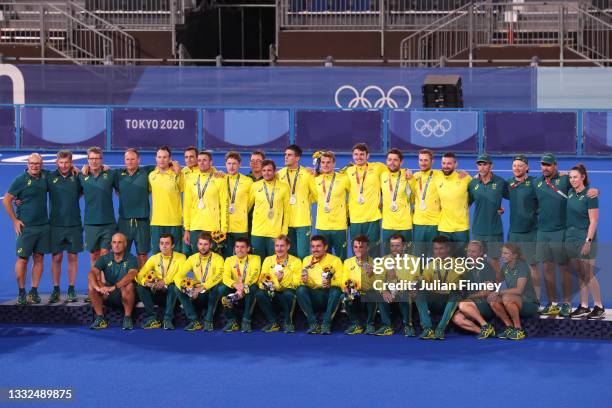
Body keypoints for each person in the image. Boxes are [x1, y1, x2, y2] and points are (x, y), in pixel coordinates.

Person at [534, 154, 596, 317]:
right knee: (547, 268)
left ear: (555, 165)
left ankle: (567, 303)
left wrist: (594, 190)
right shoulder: (536, 182)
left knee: (564, 269)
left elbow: (581, 188)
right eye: (543, 165)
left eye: (548, 165)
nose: (545, 167)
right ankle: (553, 303)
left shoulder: (564, 180)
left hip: (561, 231)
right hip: (542, 231)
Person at [3, 153, 49, 304]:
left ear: (41, 165)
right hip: (26, 227)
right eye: (32, 163)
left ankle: (33, 291)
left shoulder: (45, 176)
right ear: (27, 164)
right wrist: (15, 221)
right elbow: (7, 200)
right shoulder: (20, 180)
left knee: (39, 258)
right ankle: (22, 292)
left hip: (43, 226)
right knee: (23, 259)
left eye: (37, 164)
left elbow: (63, 172)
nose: (35, 166)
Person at [566, 165, 605, 319]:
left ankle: (599, 306)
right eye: (570, 177)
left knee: (588, 274)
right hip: (571, 238)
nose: (572, 180)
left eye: (575, 177)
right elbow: (560, 175)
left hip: (585, 238)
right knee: (580, 274)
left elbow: (594, 221)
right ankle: (583, 306)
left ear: (583, 177)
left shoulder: (591, 195)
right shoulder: (569, 192)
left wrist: (588, 241)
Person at [503, 155, 540, 303]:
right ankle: (516, 295)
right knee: (513, 266)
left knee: (532, 266)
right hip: (514, 232)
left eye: (520, 165)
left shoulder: (534, 183)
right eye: (514, 166)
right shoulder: (509, 183)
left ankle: (536, 298)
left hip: (530, 231)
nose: (517, 168)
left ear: (527, 168)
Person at [47, 150, 82, 303]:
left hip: (74, 224)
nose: (64, 165)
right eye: (61, 163)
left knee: (73, 257)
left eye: (66, 162)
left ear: (71, 163)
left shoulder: (77, 176)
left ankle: (71, 289)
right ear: (56, 163)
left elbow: (85, 189)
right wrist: (18, 200)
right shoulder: (49, 177)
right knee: (57, 257)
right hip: (56, 225)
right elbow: (33, 186)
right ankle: (56, 289)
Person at [174, 232, 225, 331]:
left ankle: (208, 321)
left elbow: (219, 276)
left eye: (205, 244)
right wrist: (187, 289)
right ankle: (194, 321)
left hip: (210, 293)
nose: (203, 247)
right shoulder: (192, 258)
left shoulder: (218, 258)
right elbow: (178, 276)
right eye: (200, 244)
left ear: (211, 245)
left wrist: (204, 287)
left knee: (217, 287)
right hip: (196, 294)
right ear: (197, 245)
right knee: (177, 288)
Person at [114, 148, 156, 267]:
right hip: (124, 222)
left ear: (138, 160)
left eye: (133, 159)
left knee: (142, 255)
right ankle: (123, 283)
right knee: (122, 253)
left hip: (142, 222)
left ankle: (141, 283)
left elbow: (165, 163)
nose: (130, 161)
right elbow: (102, 171)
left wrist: (174, 163)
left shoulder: (147, 171)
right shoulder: (117, 174)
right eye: (127, 159)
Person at [488, 243, 539, 340]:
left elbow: (519, 290)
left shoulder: (522, 266)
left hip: (529, 303)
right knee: (493, 300)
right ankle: (509, 327)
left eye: (506, 253)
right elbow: (496, 281)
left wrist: (499, 292)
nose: (502, 256)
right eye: (502, 253)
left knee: (507, 297)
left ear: (515, 255)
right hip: (515, 301)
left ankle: (518, 329)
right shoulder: (505, 267)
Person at [135, 234, 187, 330]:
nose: (164, 246)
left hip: (173, 295)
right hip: (157, 292)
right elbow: (139, 275)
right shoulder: (154, 258)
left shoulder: (181, 257)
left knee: (174, 286)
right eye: (162, 243)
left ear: (173, 245)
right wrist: (146, 282)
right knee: (140, 286)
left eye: (167, 243)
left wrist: (165, 281)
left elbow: (180, 275)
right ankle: (152, 318)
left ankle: (167, 319)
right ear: (159, 245)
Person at [343, 143, 387, 256]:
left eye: (362, 154)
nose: (358, 157)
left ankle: (375, 274)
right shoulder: (348, 171)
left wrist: (407, 170)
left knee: (374, 251)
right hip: (355, 218)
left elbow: (394, 170)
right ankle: (357, 273)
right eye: (356, 154)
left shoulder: (378, 167)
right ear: (352, 156)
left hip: (373, 217)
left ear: (368, 156)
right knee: (357, 251)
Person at [415, 236, 462, 340]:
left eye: (441, 248)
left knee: (456, 293)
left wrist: (432, 286)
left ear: (448, 249)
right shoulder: (431, 265)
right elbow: (425, 279)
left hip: (448, 300)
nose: (438, 252)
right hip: (435, 300)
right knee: (419, 291)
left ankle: (440, 329)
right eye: (436, 249)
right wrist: (420, 281)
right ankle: (428, 329)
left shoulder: (457, 263)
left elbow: (453, 285)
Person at [88, 233, 138, 330]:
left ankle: (127, 318)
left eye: (119, 242)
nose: (116, 245)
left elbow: (131, 275)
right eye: (114, 242)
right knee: (92, 285)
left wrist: (115, 286)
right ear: (111, 244)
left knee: (129, 285)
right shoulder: (105, 258)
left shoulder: (132, 259)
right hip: (108, 293)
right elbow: (91, 273)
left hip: (125, 295)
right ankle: (100, 318)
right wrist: (98, 288)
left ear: (125, 244)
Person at [468, 154, 507, 280]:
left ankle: (495, 295)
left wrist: (501, 208)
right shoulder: (473, 183)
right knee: (476, 263)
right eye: (480, 164)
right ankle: (478, 292)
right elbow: (466, 204)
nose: (482, 167)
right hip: (478, 230)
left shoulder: (500, 182)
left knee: (494, 263)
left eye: (485, 164)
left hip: (494, 231)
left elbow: (515, 196)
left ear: (491, 166)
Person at [296, 235, 343, 334]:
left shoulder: (335, 260)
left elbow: (341, 281)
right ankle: (313, 324)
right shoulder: (306, 260)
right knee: (300, 289)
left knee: (336, 291)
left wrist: (330, 283)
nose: (315, 249)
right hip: (313, 296)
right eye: (313, 246)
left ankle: (326, 324)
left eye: (318, 246)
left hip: (328, 296)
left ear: (325, 247)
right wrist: (304, 281)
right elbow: (300, 281)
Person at [183, 151, 228, 254]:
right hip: (195, 227)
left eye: (204, 160)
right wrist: (187, 229)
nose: (201, 163)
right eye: (199, 160)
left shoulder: (219, 179)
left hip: (213, 228)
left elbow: (224, 205)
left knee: (213, 262)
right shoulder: (190, 180)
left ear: (211, 162)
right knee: (197, 262)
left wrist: (223, 230)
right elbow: (187, 206)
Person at [256, 235, 302, 333]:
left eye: (282, 246)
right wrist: (270, 286)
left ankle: (288, 323)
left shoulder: (296, 261)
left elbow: (297, 283)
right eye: (277, 246)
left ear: (288, 247)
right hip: (272, 292)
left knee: (288, 293)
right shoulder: (268, 260)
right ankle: (273, 323)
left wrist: (281, 281)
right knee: (260, 293)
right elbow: (261, 281)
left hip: (287, 294)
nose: (279, 249)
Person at [79, 147, 116, 268]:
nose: (94, 161)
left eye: (97, 158)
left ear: (101, 159)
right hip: (91, 223)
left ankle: (104, 284)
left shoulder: (110, 174)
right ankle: (95, 284)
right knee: (94, 255)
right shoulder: (81, 176)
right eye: (91, 158)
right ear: (87, 160)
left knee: (105, 254)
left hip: (108, 223)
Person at [277, 144, 317, 259]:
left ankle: (304, 277)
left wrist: (304, 201)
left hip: (303, 222)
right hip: (285, 223)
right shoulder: (279, 175)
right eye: (285, 155)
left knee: (303, 255)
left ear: (297, 158)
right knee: (289, 256)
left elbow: (316, 195)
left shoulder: (307, 174)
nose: (286, 157)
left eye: (289, 155)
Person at [451, 241, 497, 339]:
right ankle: (484, 331)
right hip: (471, 305)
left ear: (480, 253)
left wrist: (468, 296)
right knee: (457, 318)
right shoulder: (464, 267)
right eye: (469, 251)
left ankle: (485, 325)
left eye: (474, 252)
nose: (470, 254)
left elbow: (486, 292)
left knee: (462, 304)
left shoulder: (486, 267)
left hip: (485, 304)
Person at [378, 234, 420, 336]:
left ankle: (408, 326)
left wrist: (397, 280)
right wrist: (383, 290)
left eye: (397, 246)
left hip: (405, 291)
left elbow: (414, 280)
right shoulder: (383, 260)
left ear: (404, 246)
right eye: (392, 246)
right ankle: (387, 326)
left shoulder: (413, 260)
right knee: (378, 292)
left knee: (406, 292)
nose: (394, 249)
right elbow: (378, 279)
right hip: (391, 291)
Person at [248, 159, 290, 259]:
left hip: (275, 233)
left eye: (269, 170)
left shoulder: (284, 187)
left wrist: (283, 231)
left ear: (275, 171)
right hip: (257, 232)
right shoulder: (255, 186)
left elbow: (287, 212)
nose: (266, 173)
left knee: (274, 262)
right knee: (258, 262)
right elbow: (247, 207)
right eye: (264, 170)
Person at [219, 237, 261, 333]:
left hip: (247, 288)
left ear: (248, 249)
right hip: (235, 289)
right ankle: (231, 321)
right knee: (222, 289)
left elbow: (254, 275)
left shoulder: (256, 259)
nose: (239, 250)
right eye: (237, 247)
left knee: (254, 288)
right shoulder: (229, 260)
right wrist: (235, 285)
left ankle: (246, 321)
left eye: (242, 247)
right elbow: (225, 277)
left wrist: (242, 287)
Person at [313, 151, 350, 260]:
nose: (325, 165)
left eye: (328, 162)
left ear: (334, 164)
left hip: (340, 226)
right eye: (323, 162)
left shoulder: (344, 179)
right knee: (323, 259)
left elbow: (354, 196)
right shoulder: (315, 180)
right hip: (322, 226)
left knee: (341, 258)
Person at [341, 235, 379, 335]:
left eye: (361, 247)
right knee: (345, 296)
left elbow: (378, 284)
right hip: (355, 296)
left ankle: (370, 324)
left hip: (368, 297)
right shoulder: (348, 262)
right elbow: (344, 281)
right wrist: (349, 287)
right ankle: (356, 324)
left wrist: (371, 274)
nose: (358, 250)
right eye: (356, 247)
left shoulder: (375, 263)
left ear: (368, 247)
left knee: (373, 292)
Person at [149, 146, 184, 254]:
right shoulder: (151, 175)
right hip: (156, 222)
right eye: (159, 157)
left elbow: (183, 189)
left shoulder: (177, 174)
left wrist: (178, 172)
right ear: (156, 159)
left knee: (176, 256)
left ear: (170, 159)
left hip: (174, 222)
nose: (162, 159)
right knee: (156, 255)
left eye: (165, 157)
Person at [410, 149, 443, 257]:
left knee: (435, 256)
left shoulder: (439, 175)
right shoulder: (414, 177)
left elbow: (455, 176)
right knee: (418, 256)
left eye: (426, 160)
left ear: (432, 161)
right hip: (418, 223)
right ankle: (419, 274)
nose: (423, 163)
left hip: (434, 223)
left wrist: (465, 173)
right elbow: (411, 199)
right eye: (420, 160)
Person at [437, 152, 472, 256]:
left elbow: (477, 192)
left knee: (462, 260)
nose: (446, 166)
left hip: (461, 228)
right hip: (444, 228)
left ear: (455, 164)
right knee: (444, 260)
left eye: (449, 163)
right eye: (443, 163)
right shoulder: (436, 177)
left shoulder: (466, 178)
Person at [380, 148, 413, 255]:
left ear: (401, 162)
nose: (392, 163)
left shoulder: (407, 176)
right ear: (386, 161)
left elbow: (412, 198)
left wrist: (408, 173)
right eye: (389, 159)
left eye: (395, 160)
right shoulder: (382, 175)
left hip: (404, 224)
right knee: (387, 258)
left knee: (407, 257)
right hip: (388, 225)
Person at [223, 151, 253, 257]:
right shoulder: (220, 179)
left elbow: (250, 202)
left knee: (242, 255)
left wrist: (242, 212)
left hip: (240, 226)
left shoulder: (248, 181)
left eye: (234, 163)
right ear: (225, 164)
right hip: (224, 226)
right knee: (226, 257)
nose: (231, 166)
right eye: (229, 163)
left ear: (239, 164)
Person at [180, 146, 200, 255]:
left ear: (197, 158)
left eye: (192, 157)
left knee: (201, 250)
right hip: (188, 216)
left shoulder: (207, 170)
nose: (189, 159)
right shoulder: (183, 172)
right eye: (186, 157)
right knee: (185, 252)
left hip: (202, 219)